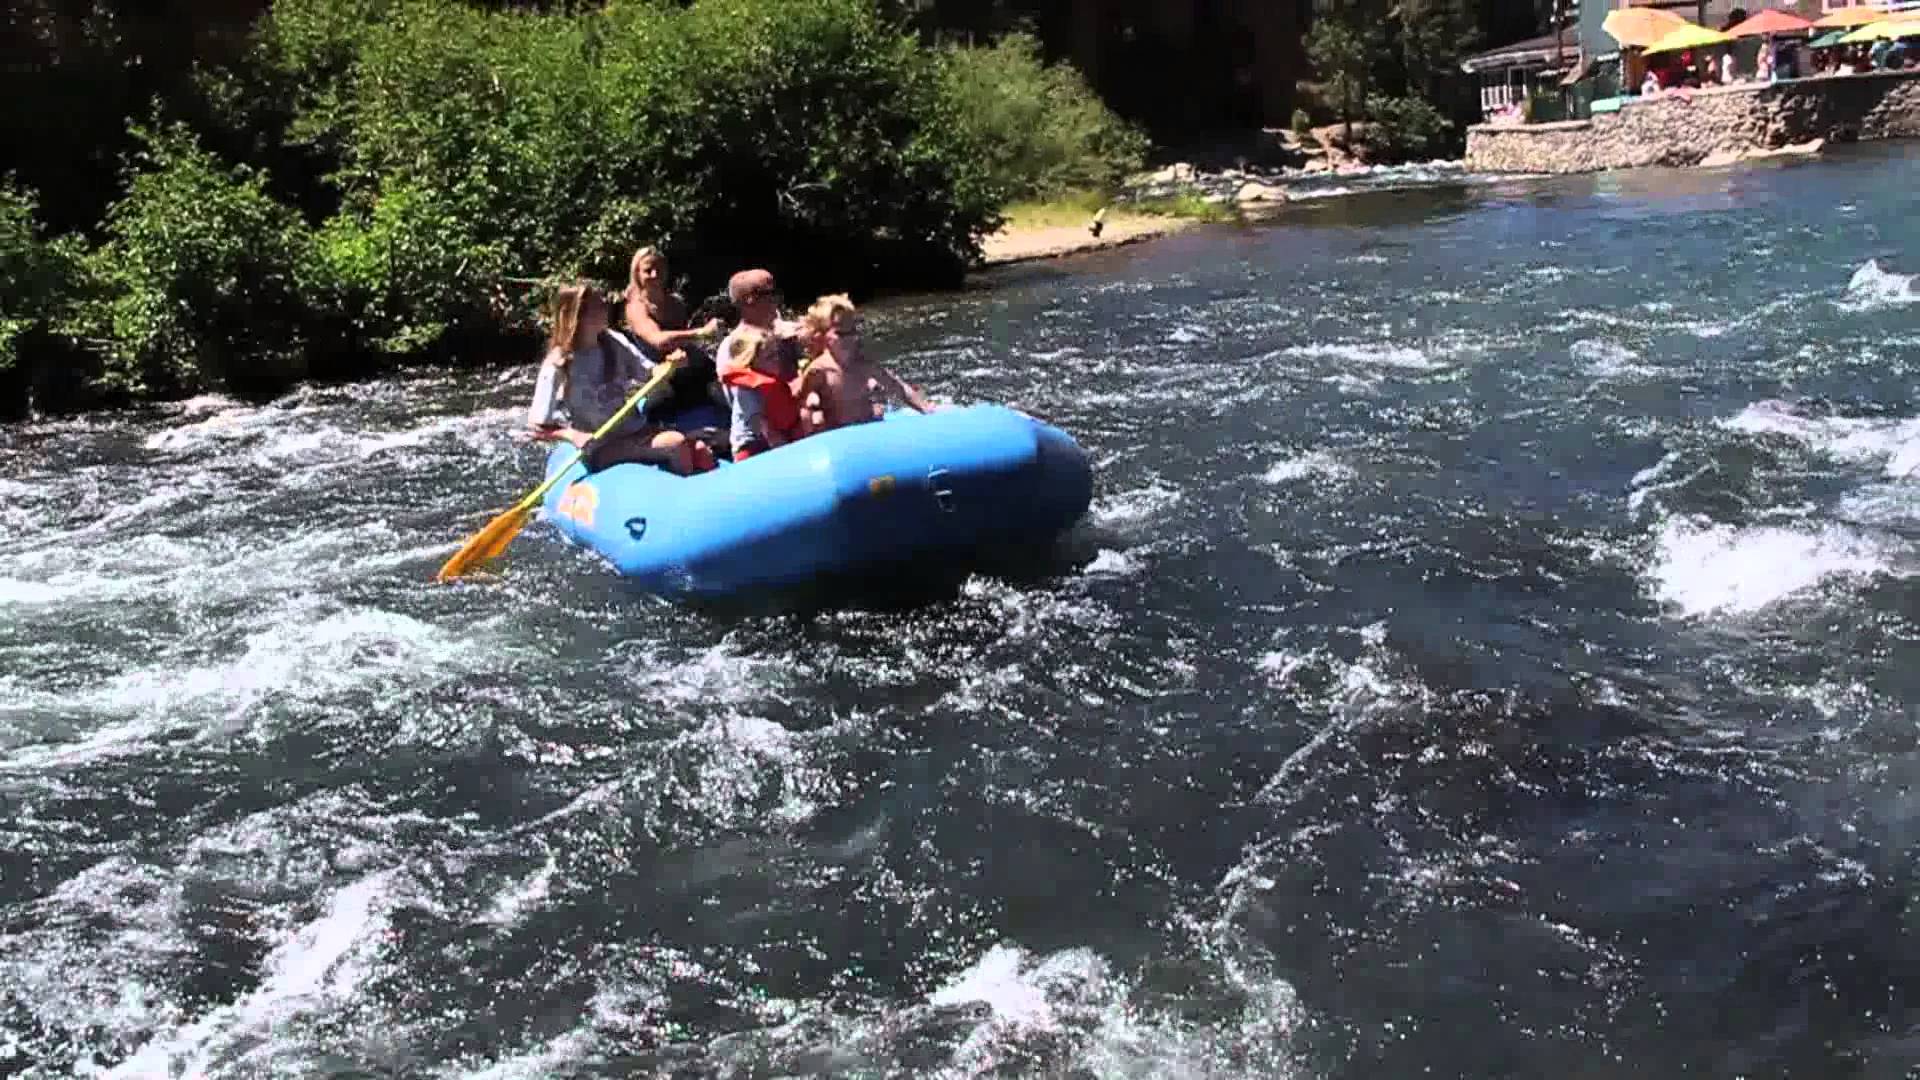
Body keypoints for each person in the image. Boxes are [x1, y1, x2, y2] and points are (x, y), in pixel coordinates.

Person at [524, 283, 708, 475]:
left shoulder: (612, 341)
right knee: (675, 442)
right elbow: (536, 428)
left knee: (701, 450)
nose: (606, 308)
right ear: (579, 315)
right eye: (599, 305)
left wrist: (671, 365)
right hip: (602, 446)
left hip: (636, 430)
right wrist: (572, 435)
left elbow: (650, 373)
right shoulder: (558, 363)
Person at [794, 294, 936, 432]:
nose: (848, 338)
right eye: (840, 334)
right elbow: (801, 404)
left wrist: (925, 408)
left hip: (867, 428)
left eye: (852, 331)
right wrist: (812, 407)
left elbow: (898, 387)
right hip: (839, 433)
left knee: (878, 410)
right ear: (822, 335)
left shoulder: (863, 364)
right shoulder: (819, 370)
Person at [719, 327, 803, 461]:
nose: (777, 360)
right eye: (770, 357)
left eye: (776, 354)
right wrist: (788, 454)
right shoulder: (748, 390)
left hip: (774, 440)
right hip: (752, 450)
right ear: (751, 362)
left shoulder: (773, 380)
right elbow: (761, 425)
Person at [714, 268, 805, 386]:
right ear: (749, 300)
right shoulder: (730, 347)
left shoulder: (790, 333)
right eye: (769, 293)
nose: (776, 299)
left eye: (776, 292)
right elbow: (744, 400)